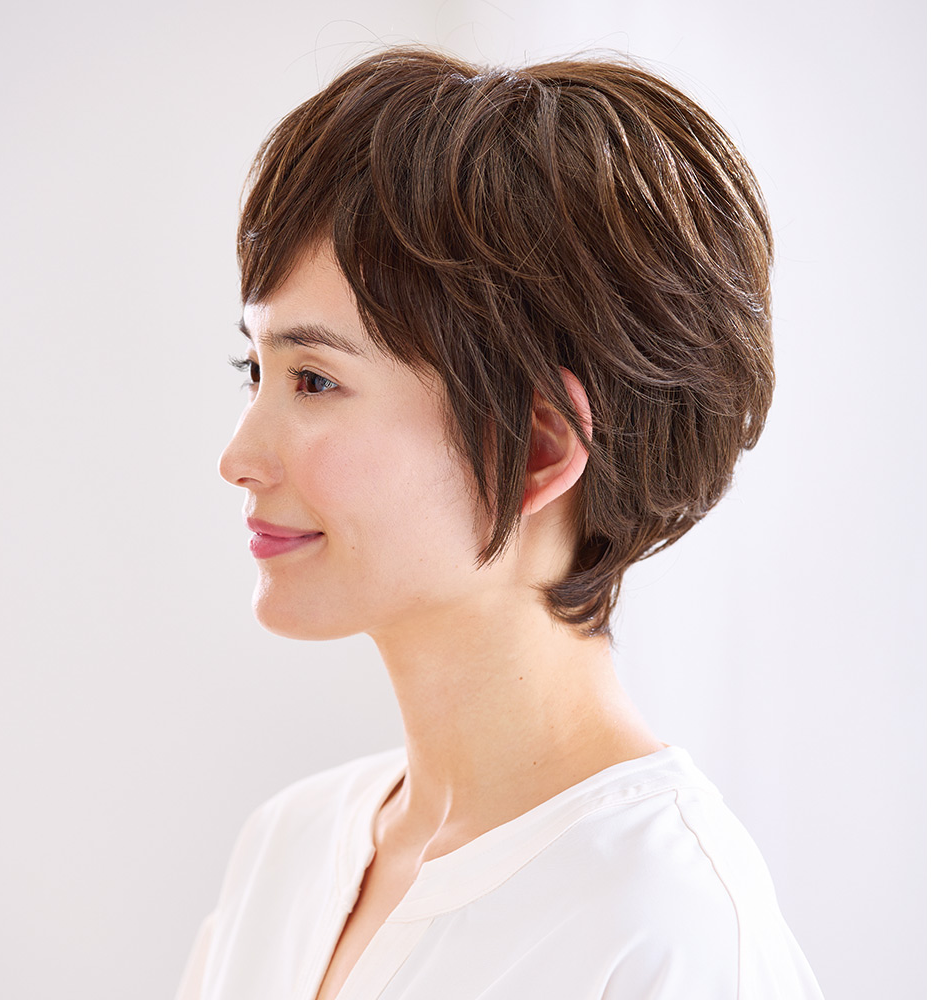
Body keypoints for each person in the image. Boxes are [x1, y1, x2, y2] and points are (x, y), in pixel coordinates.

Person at [176, 46, 825, 1000]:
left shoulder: (671, 936)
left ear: (535, 448)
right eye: (255, 371)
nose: (238, 456)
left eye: (314, 379)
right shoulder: (288, 849)